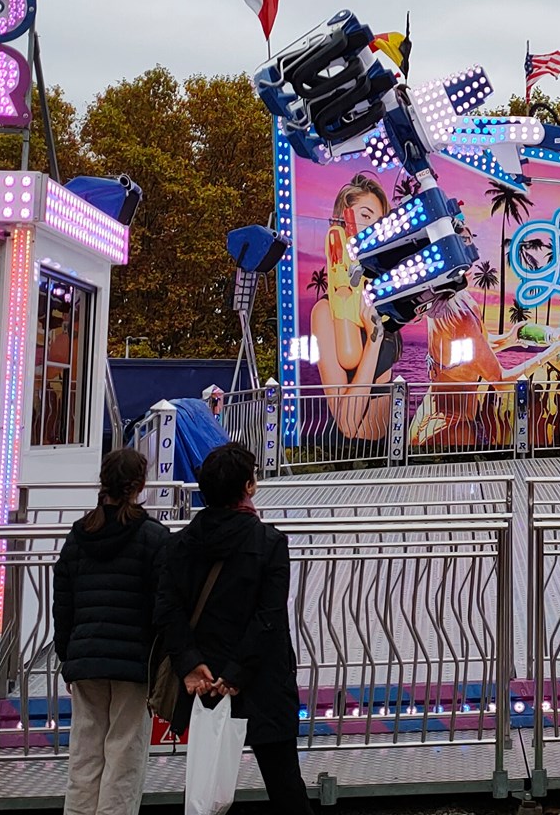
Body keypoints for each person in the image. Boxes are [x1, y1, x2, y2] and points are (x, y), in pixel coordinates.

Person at [156, 444, 308, 815]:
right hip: (261, 680)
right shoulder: (269, 543)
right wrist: (236, 672)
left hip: (203, 681)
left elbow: (167, 609)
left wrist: (190, 664)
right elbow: (269, 617)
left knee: (206, 784)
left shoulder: (178, 545)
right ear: (249, 486)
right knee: (284, 781)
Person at [53, 449, 168, 815]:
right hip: (134, 663)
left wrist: (67, 656)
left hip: (85, 658)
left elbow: (63, 602)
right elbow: (162, 605)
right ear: (140, 486)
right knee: (124, 753)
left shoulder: (79, 536)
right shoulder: (154, 538)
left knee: (85, 752)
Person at [305, 173, 397, 440]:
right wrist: (373, 340)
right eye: (365, 216)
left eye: (379, 222)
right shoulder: (325, 313)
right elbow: (346, 424)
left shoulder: (381, 297)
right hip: (356, 456)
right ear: (343, 220)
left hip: (393, 451)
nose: (372, 227)